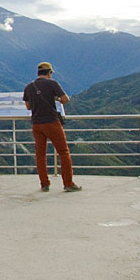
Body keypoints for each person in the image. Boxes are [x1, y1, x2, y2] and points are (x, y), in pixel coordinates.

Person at [23, 62, 81, 192]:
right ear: (49, 73)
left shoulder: (29, 87)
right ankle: (68, 183)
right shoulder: (52, 84)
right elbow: (66, 99)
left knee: (40, 154)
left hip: (37, 124)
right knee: (63, 152)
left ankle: (44, 184)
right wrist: (56, 99)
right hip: (51, 123)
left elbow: (28, 106)